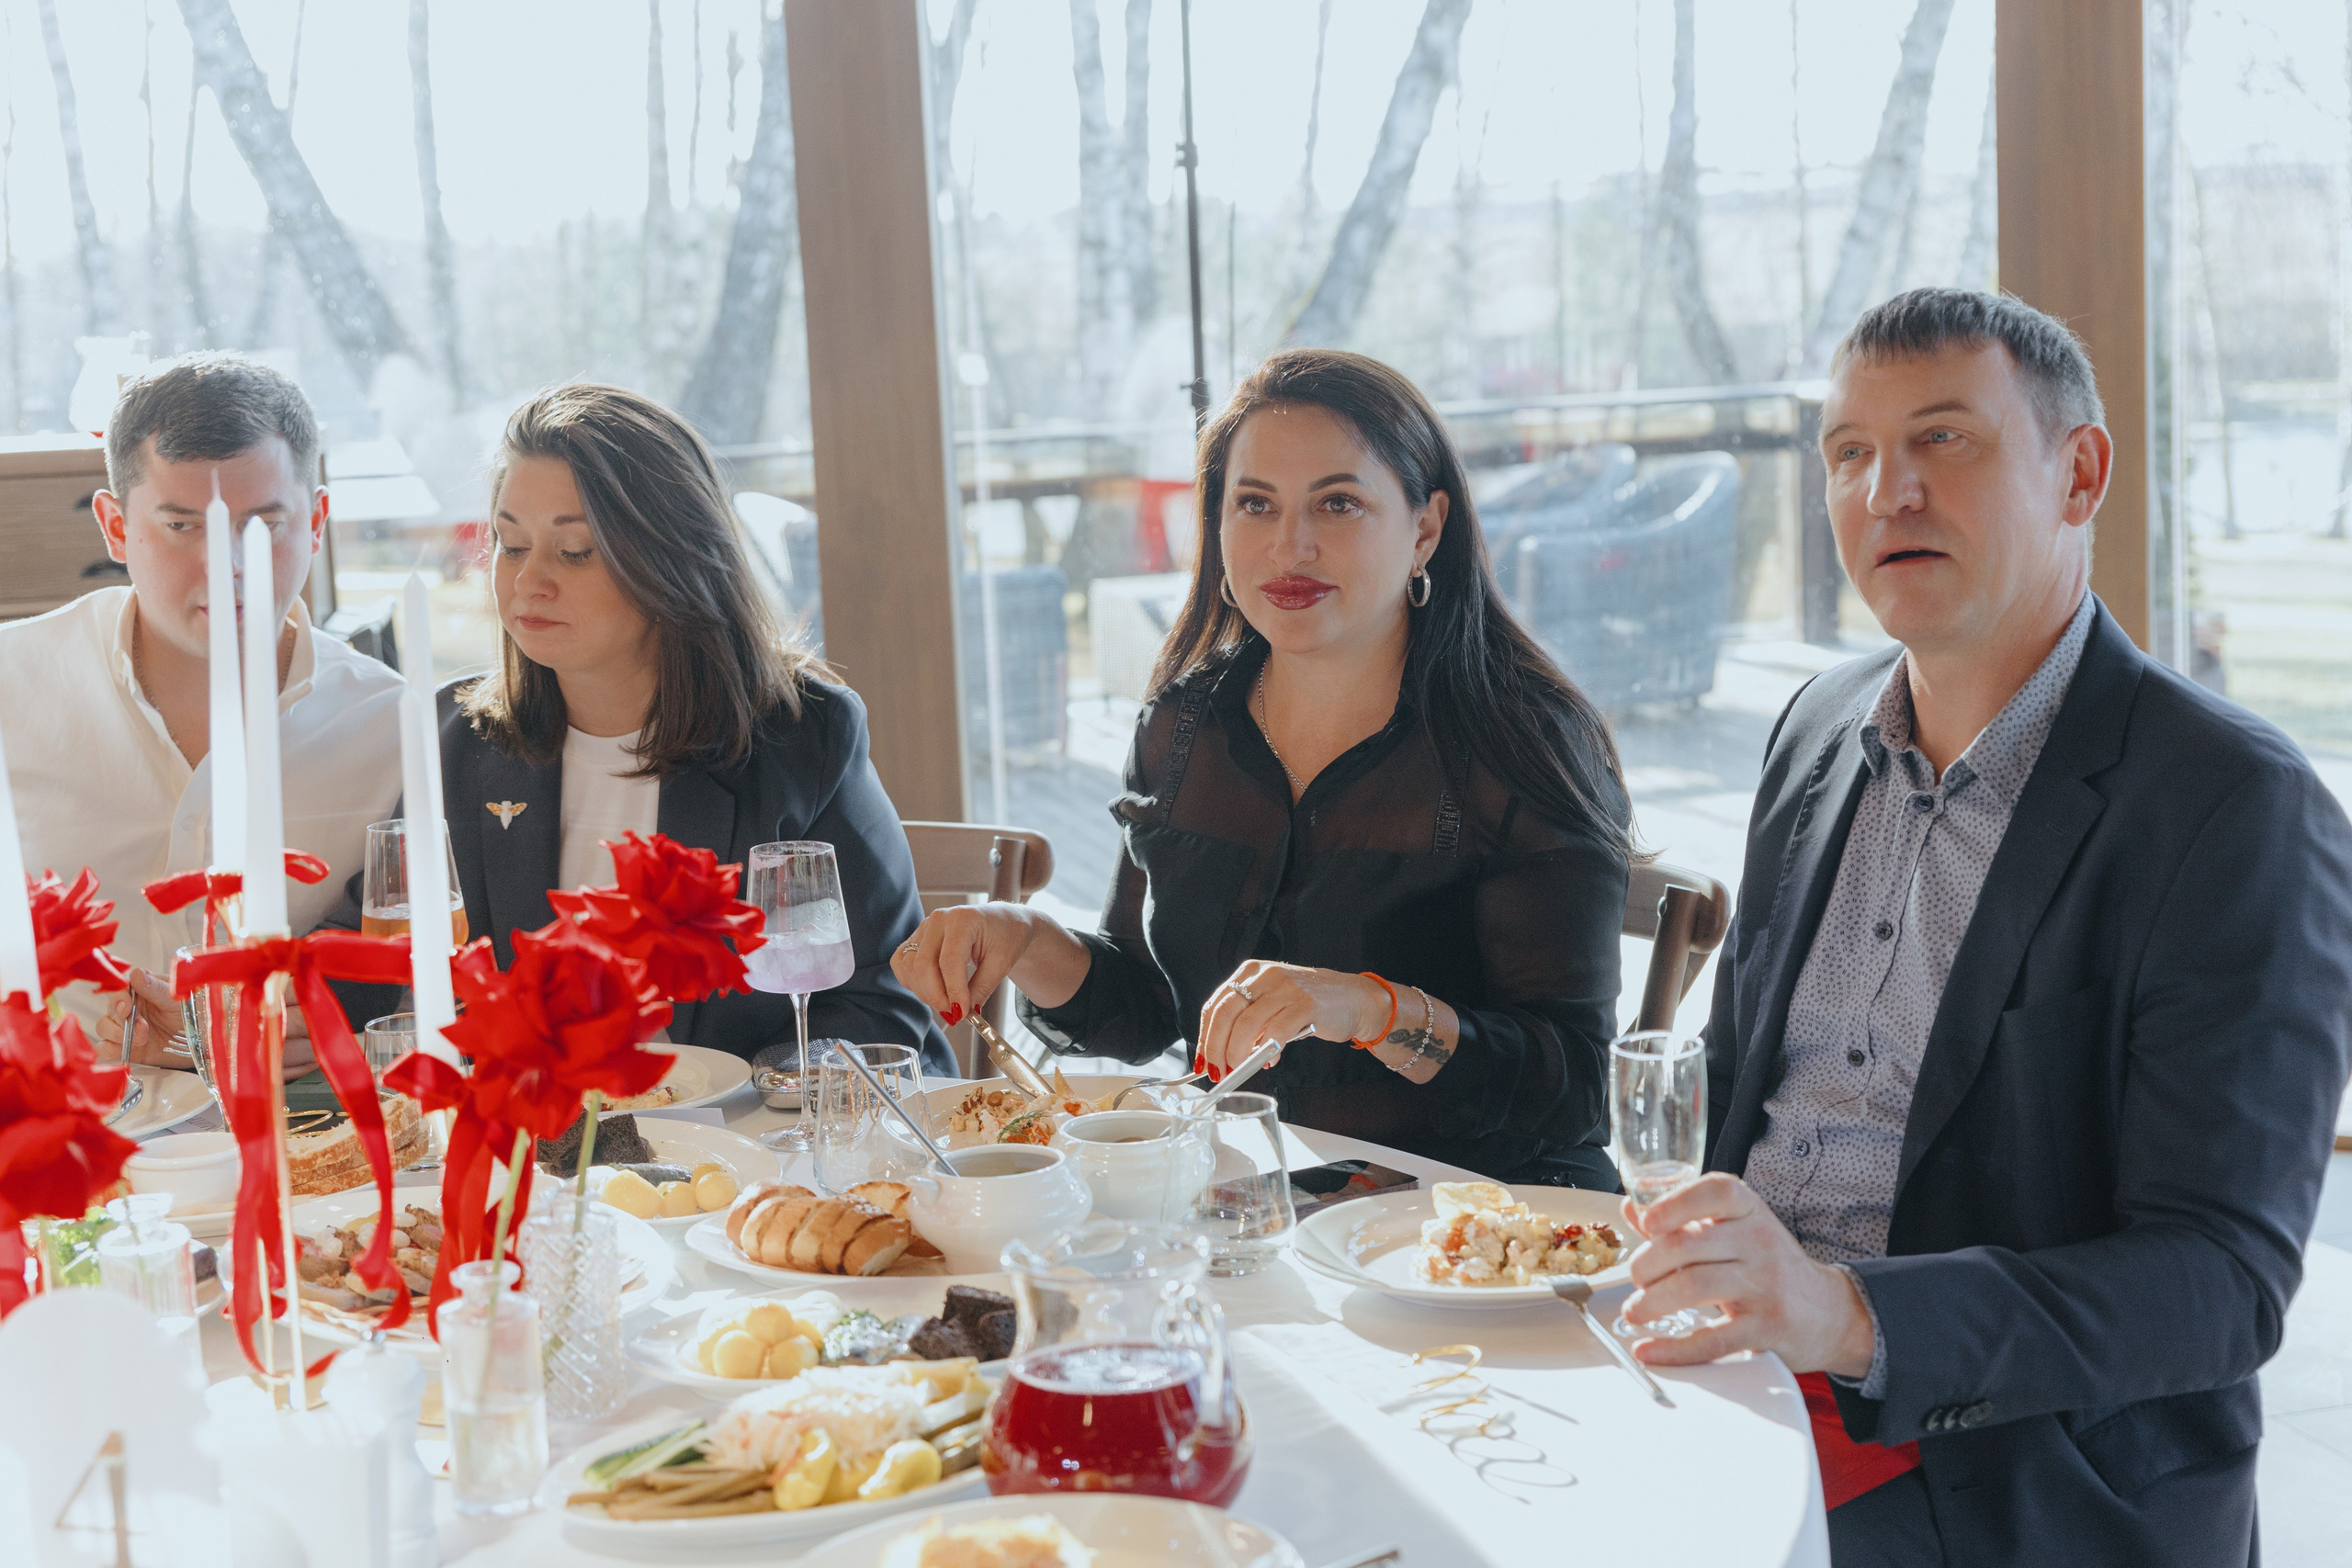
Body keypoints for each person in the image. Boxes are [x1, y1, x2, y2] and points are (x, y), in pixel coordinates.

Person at [1616, 288, 2352, 1565]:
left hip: (2016, 1471)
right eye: (1848, 451)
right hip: (1737, 1383)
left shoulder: (2236, 805)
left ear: (2081, 471)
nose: (1884, 489)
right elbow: (1735, 1097)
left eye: (1943, 439)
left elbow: (2217, 1282)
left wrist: (1843, 1315)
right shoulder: (1813, 729)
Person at [892, 349, 1634, 1185]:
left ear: (1425, 528)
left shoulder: (1523, 740)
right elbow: (1148, 1008)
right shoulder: (1185, 726)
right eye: (1256, 504)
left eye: (1339, 503)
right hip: (1247, 1204)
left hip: (1475, 1228)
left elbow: (1576, 1087)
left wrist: (1371, 1009)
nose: (1292, 545)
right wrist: (1021, 936)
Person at [332, 383, 948, 1073]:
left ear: (670, 562)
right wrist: (295, 1005)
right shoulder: (459, 741)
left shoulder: (804, 740)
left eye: (574, 553)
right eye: (509, 544)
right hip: (539, 1162)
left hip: (742, 1159)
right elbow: (374, 960)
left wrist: (736, 1113)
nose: (528, 580)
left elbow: (878, 1003)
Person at [0, 354, 404, 1078]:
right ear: (116, 528)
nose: (226, 566)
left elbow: (412, 996)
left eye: (263, 525)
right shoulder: (11, 689)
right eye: (183, 525)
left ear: (314, 523)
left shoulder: (394, 728)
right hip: (47, 1157)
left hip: (304, 1157)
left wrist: (345, 1027)